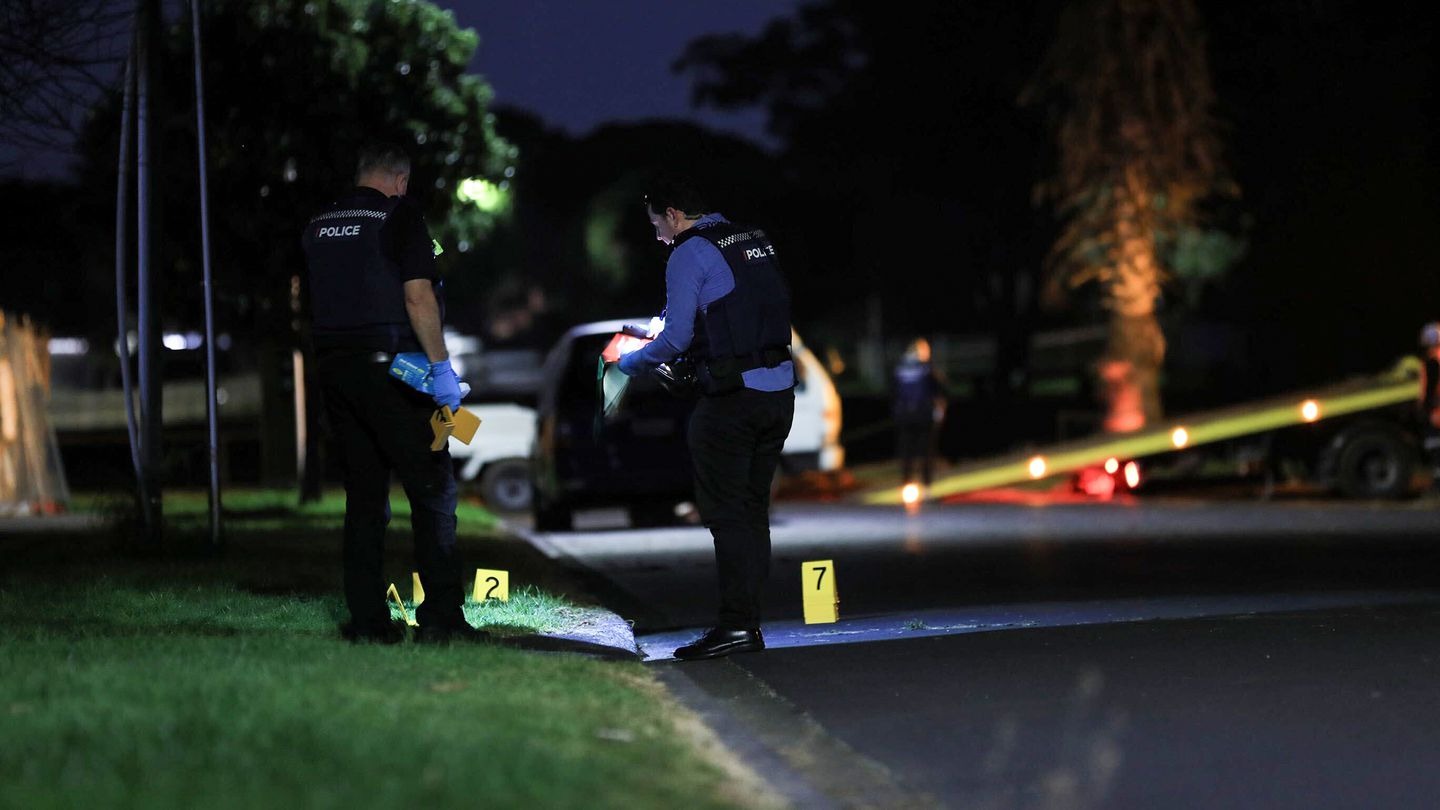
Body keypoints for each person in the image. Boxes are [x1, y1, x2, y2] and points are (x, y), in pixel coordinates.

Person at [301, 142, 484, 644]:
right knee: (433, 490)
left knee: (364, 500)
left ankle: (367, 624)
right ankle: (441, 622)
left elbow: (307, 299)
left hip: (337, 374)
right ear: (400, 181)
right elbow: (418, 296)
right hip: (398, 376)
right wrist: (442, 369)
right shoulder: (400, 217)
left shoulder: (319, 224)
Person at [618, 176, 795, 661]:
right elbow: (732, 306)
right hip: (778, 393)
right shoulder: (753, 237)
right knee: (753, 512)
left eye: (657, 225)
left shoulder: (686, 251)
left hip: (732, 402)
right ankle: (748, 623)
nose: (658, 237)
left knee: (725, 515)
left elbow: (676, 339)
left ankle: (736, 626)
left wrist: (629, 363)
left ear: (673, 214)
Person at [892, 338, 945, 490]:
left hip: (904, 416)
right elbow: (940, 389)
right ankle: (927, 486)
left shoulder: (899, 368)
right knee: (926, 451)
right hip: (924, 416)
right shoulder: (927, 368)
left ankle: (906, 485)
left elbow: (893, 393)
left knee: (906, 451)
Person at [1419, 322, 1440, 491]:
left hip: (1437, 411)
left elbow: (1431, 389)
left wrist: (1429, 410)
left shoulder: (1434, 360)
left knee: (1434, 445)